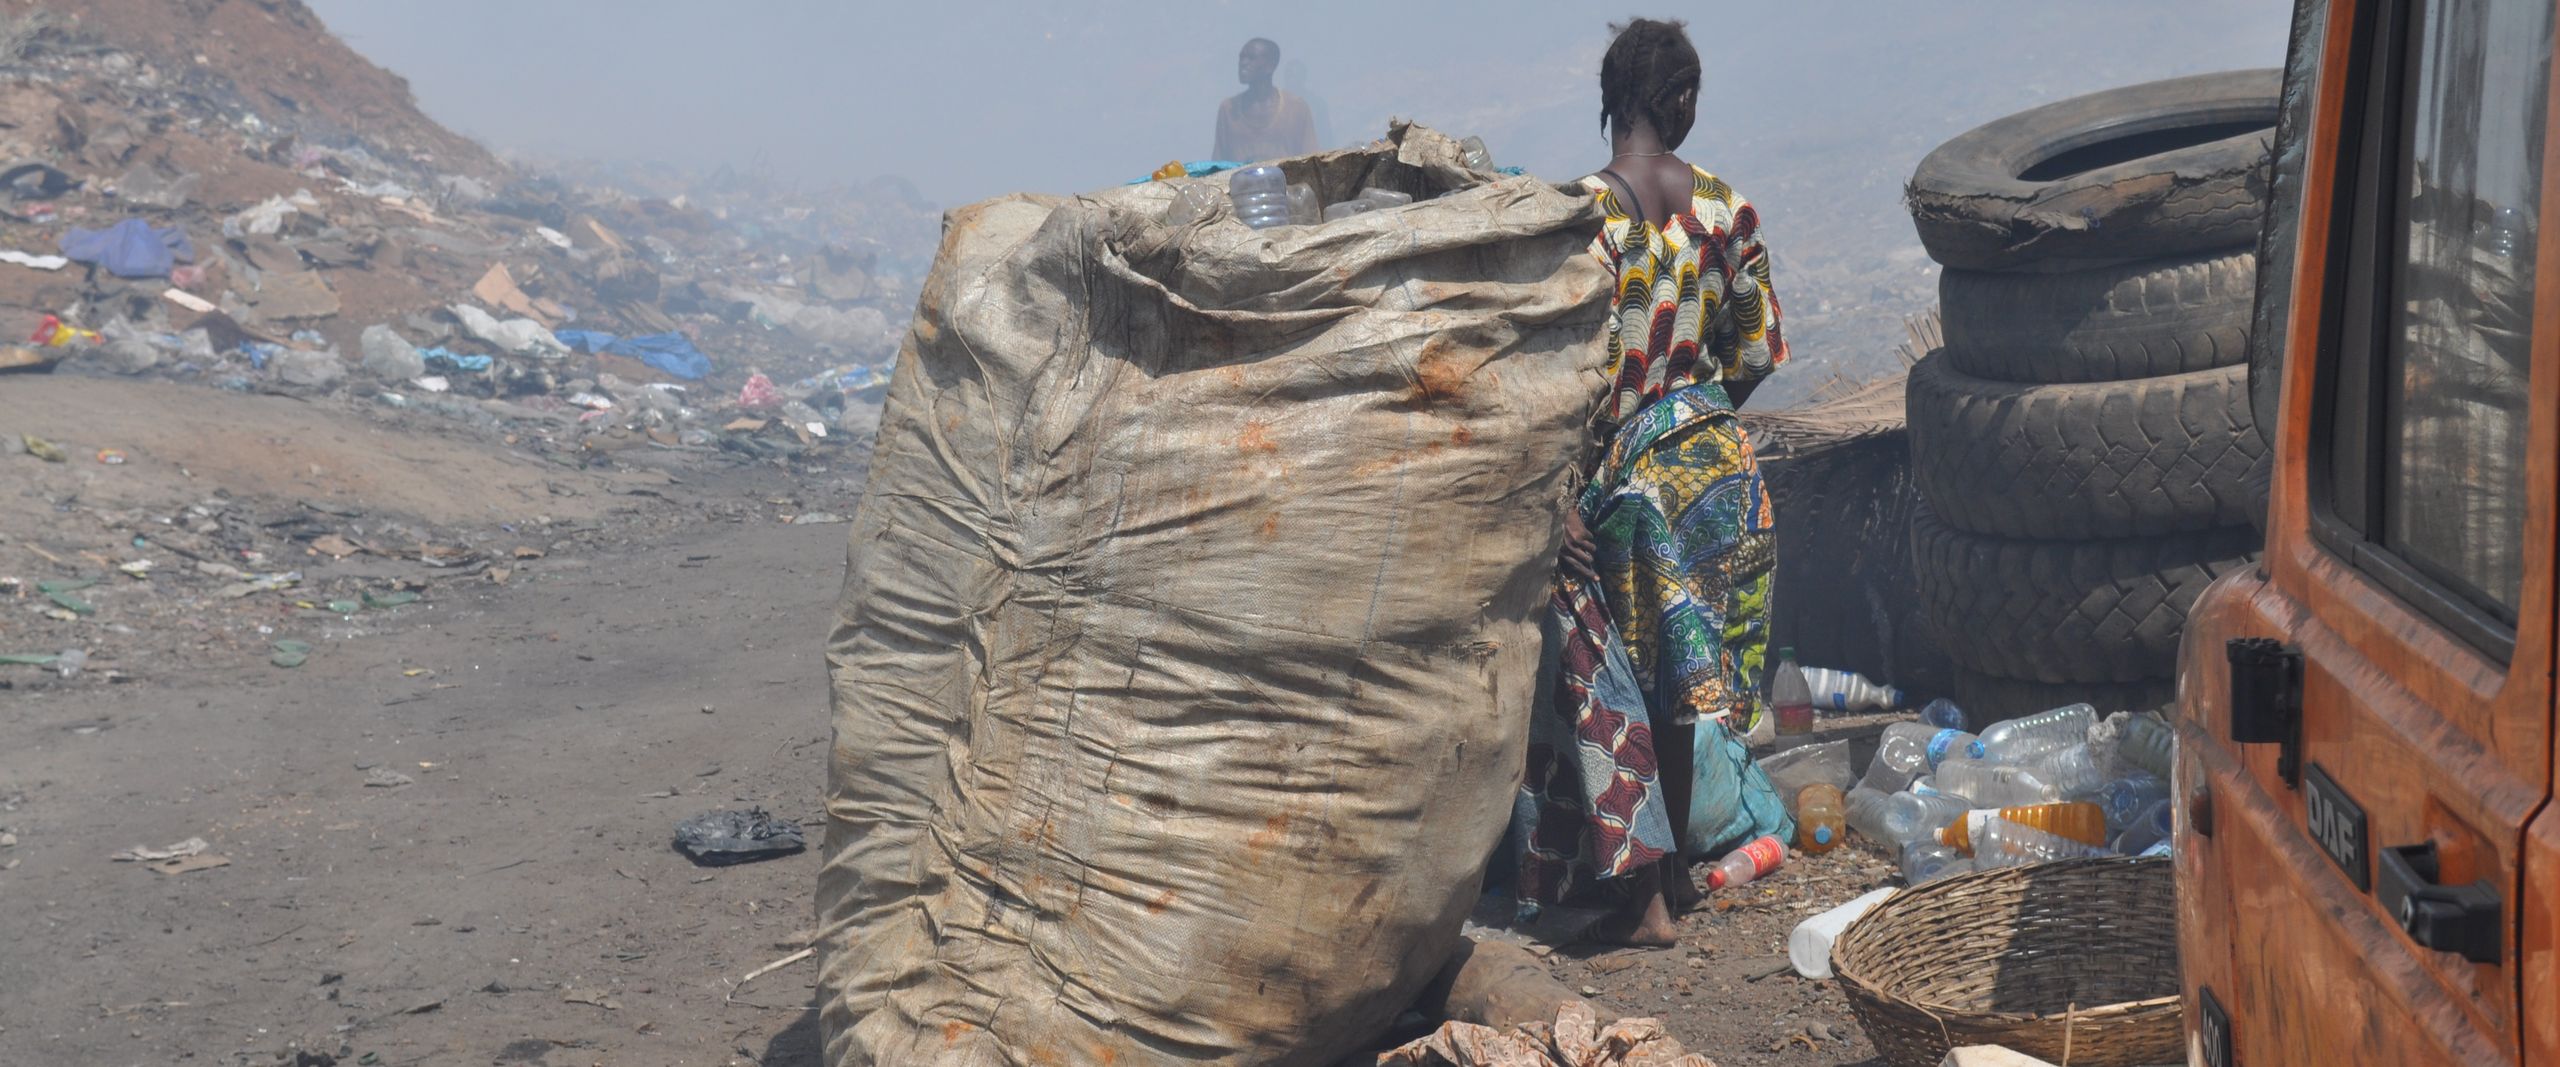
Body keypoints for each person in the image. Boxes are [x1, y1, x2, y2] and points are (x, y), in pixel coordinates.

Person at [1511, 17, 1789, 947]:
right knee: (1682, 688)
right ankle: (1667, 876)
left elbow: (1546, 386)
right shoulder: (1728, 209)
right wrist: (1692, 411)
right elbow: (1755, 350)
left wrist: (1560, 498)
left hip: (1626, 487)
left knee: (1610, 683)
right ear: (1681, 102)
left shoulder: (1573, 223)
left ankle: (1645, 903)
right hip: (1719, 472)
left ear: (1612, 99)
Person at [1215, 38, 1317, 163]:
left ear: (1271, 65)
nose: (1243, 63)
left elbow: (1310, 161)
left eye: (1251, 58)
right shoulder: (1229, 109)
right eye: (1242, 58)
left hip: (1285, 182)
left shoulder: (1296, 108)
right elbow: (1218, 162)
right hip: (1239, 182)